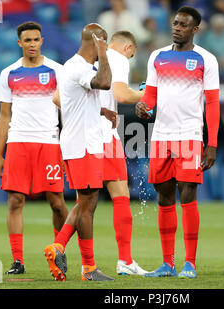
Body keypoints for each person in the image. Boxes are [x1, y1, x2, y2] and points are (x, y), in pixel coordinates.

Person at [136, 6, 220, 279]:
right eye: (175, 23)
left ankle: (190, 263)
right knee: (164, 197)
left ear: (195, 29)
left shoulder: (206, 59)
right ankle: (167, 263)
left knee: (188, 195)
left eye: (184, 25)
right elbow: (150, 97)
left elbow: (212, 102)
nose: (177, 28)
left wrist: (212, 143)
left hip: (190, 135)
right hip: (161, 136)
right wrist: (143, 109)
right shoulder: (156, 56)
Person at [43, 23, 116, 282]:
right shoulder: (79, 67)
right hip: (83, 146)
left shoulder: (74, 68)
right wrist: (104, 54)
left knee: (87, 202)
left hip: (83, 143)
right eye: (103, 44)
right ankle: (87, 267)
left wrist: (101, 111)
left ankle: (59, 246)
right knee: (87, 205)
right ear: (97, 42)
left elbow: (71, 102)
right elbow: (105, 82)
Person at [0, 21, 69, 275]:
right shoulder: (9, 73)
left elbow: (66, 114)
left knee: (57, 201)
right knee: (15, 200)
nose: (32, 44)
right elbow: (4, 116)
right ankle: (18, 261)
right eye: (27, 40)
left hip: (49, 141)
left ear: (42, 41)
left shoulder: (57, 71)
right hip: (17, 142)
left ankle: (59, 251)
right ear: (19, 43)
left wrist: (67, 149)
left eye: (36, 40)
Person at [99, 30, 148, 276]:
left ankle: (61, 246)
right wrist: (146, 94)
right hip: (105, 137)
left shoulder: (85, 59)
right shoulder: (117, 59)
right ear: (128, 47)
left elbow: (58, 99)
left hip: (79, 139)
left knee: (84, 203)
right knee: (121, 195)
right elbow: (121, 94)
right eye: (131, 56)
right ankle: (125, 261)